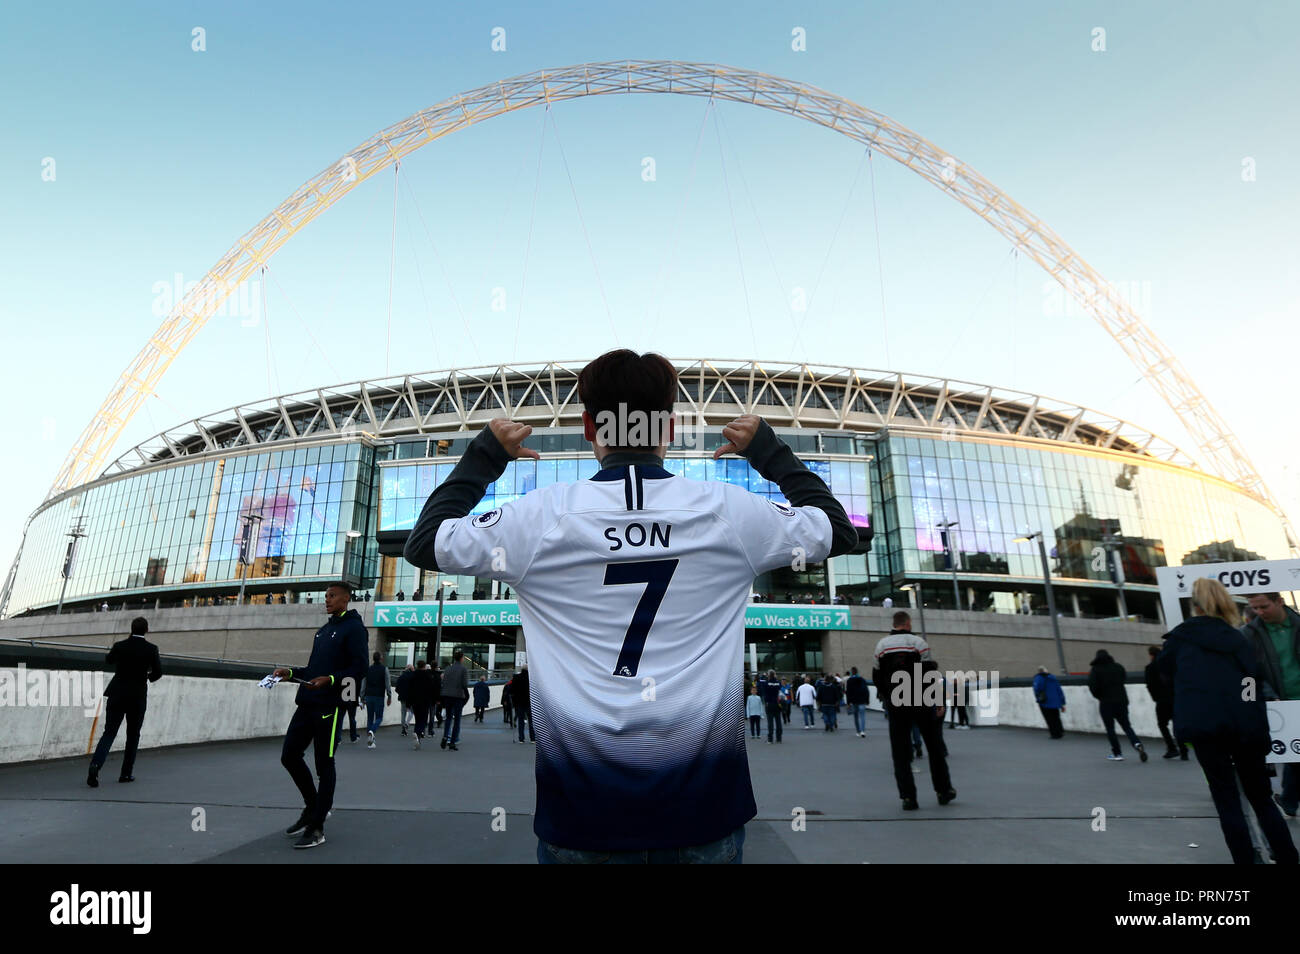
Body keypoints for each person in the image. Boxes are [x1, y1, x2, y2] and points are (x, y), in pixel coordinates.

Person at [403, 349, 857, 862]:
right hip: (703, 813)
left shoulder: (539, 517)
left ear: (588, 426)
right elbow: (838, 530)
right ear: (667, 427)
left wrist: (484, 454)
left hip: (582, 816)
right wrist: (770, 453)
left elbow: (425, 544)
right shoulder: (728, 511)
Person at [1158, 577, 1298, 864]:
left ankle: (1245, 860)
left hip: (1204, 729)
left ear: (1195, 606)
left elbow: (1165, 679)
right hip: (1244, 727)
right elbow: (1250, 684)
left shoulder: (1178, 641)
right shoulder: (1240, 639)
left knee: (1226, 800)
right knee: (1261, 798)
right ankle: (1288, 858)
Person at [271, 582, 368, 849]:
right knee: (289, 756)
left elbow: (360, 667)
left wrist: (333, 679)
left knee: (324, 765)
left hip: (330, 706)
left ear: (346, 599)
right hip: (307, 702)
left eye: (332, 596)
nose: (327, 600)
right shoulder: (324, 631)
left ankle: (316, 828)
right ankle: (314, 808)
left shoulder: (355, 629)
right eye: (326, 596)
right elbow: (313, 668)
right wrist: (290, 673)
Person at [874, 611, 955, 810]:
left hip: (897, 703)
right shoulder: (919, 643)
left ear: (894, 624)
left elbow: (877, 676)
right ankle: (943, 791)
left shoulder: (881, 646)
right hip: (921, 702)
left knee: (900, 752)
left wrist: (887, 698)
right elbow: (930, 675)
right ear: (908, 623)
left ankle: (908, 798)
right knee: (934, 747)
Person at [1242, 592, 1300, 815]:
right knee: (1293, 756)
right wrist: (1261, 696)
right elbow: (1248, 674)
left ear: (1279, 601)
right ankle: (1289, 799)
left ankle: (1289, 799)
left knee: (1295, 757)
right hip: (1280, 704)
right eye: (1254, 608)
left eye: (1264, 606)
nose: (1259, 612)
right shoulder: (1248, 634)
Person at [87, 616, 163, 787]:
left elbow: (109, 660)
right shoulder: (151, 649)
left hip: (117, 693)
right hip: (137, 696)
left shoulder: (120, 646)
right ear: (147, 630)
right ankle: (126, 774)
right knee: (133, 735)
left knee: (109, 732)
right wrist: (146, 676)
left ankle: (95, 765)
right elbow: (158, 672)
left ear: (131, 629)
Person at [1087, 649, 1147, 762]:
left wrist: (1100, 696)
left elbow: (1093, 687)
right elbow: (1123, 679)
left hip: (1106, 703)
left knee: (1110, 729)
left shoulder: (1095, 670)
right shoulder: (1118, 667)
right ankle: (1137, 744)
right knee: (1127, 726)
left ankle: (1117, 753)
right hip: (1121, 701)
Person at [1145, 645, 1186, 759]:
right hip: (1175, 698)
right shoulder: (1171, 665)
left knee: (1162, 724)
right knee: (1177, 724)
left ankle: (1172, 748)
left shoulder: (1150, 667)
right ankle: (1184, 750)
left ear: (1151, 655)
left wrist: (1156, 698)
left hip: (1162, 700)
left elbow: (1150, 685)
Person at [440, 650, 470, 750]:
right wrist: (466, 696)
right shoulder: (463, 669)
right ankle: (452, 742)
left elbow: (443, 682)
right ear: (462, 658)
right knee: (457, 720)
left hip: (447, 696)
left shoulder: (448, 668)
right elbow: (465, 684)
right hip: (458, 697)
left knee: (448, 718)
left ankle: (445, 736)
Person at [361, 652, 392, 749]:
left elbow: (363, 683)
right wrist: (389, 695)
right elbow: (387, 683)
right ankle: (372, 731)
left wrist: (362, 697)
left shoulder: (368, 669)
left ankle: (370, 741)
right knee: (379, 717)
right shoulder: (384, 669)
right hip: (379, 696)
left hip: (369, 696)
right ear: (381, 659)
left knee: (370, 718)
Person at [407, 658, 437, 749]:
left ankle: (417, 738)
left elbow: (409, 689)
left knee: (417, 719)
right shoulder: (428, 676)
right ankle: (418, 733)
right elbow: (432, 689)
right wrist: (433, 700)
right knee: (423, 720)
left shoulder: (413, 675)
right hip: (425, 701)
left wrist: (409, 702)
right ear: (424, 666)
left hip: (415, 701)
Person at [1032, 666, 1066, 739]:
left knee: (1049, 719)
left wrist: (1038, 698)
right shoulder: (1053, 678)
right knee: (1056, 717)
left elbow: (1037, 689)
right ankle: (1060, 731)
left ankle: (1054, 734)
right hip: (1056, 701)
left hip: (1045, 701)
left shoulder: (1038, 678)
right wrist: (1062, 702)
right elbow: (1059, 690)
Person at [845, 666, 871, 737]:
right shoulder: (862, 679)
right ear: (857, 672)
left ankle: (858, 731)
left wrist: (848, 702)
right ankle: (863, 731)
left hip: (854, 701)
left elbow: (848, 692)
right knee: (862, 716)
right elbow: (866, 691)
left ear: (851, 672)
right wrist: (867, 700)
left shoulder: (849, 680)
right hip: (862, 700)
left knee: (855, 716)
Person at [758, 670, 783, 744]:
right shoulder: (778, 683)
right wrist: (775, 678)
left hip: (769, 703)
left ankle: (770, 739)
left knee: (770, 722)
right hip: (777, 703)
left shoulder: (766, 683)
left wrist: (764, 676)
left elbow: (760, 683)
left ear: (768, 675)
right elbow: (779, 687)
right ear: (774, 675)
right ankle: (779, 738)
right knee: (778, 722)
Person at [512, 666, 534, 743]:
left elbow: (512, 690)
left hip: (519, 702)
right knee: (531, 721)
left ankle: (521, 739)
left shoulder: (516, 677)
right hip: (530, 702)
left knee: (520, 721)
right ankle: (533, 738)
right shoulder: (532, 678)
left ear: (521, 669)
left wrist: (514, 701)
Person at [395, 663, 414, 736]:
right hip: (411, 698)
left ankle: (403, 729)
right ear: (411, 669)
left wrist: (401, 693)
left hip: (402, 697)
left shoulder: (401, 677)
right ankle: (407, 723)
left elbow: (397, 689)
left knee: (403, 713)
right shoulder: (413, 676)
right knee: (412, 711)